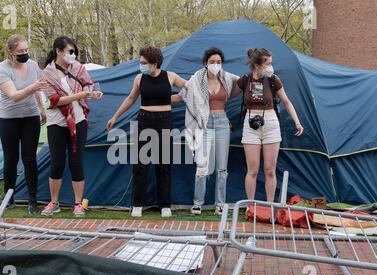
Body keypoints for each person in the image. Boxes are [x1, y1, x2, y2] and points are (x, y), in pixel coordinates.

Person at [106, 46, 186, 217]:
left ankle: (164, 205)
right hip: (144, 120)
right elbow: (130, 99)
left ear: (154, 63)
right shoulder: (139, 78)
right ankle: (138, 204)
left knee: (164, 164)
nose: (140, 65)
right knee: (141, 164)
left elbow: (189, 88)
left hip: (164, 121)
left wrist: (176, 98)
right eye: (140, 62)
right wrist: (115, 117)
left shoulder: (170, 76)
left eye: (143, 63)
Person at [172, 47, 240, 216]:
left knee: (222, 167)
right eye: (212, 62)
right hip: (203, 123)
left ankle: (220, 204)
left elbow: (242, 85)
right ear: (205, 63)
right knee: (202, 165)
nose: (215, 65)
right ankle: (197, 203)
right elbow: (182, 95)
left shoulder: (228, 78)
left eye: (218, 62)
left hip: (223, 122)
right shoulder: (196, 79)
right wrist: (158, 99)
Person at [40, 36, 103, 217]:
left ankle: (78, 203)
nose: (73, 55)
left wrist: (93, 94)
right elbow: (55, 101)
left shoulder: (79, 68)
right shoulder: (47, 73)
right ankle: (54, 202)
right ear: (58, 52)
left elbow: (88, 87)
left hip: (79, 121)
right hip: (57, 122)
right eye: (70, 51)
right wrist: (79, 95)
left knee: (76, 162)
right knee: (57, 162)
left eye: (74, 52)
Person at [233, 48, 304, 202]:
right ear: (258, 65)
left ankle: (270, 205)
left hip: (270, 122)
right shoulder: (245, 80)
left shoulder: (273, 80)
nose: (271, 67)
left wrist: (297, 122)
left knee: (270, 170)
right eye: (268, 64)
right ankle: (251, 205)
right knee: (252, 170)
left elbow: (286, 101)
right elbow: (229, 94)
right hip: (250, 123)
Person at [0, 34, 48, 214]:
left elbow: (38, 89)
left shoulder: (32, 65)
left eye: (26, 50)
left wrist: (41, 108)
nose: (24, 53)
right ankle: (8, 198)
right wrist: (33, 87)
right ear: (11, 52)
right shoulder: (2, 69)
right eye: (20, 51)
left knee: (29, 159)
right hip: (9, 119)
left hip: (30, 117)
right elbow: (14, 96)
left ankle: (32, 200)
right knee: (11, 159)